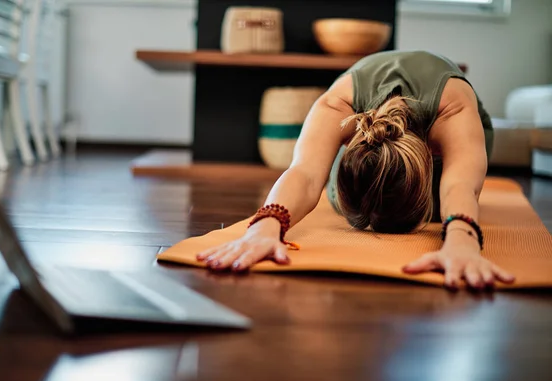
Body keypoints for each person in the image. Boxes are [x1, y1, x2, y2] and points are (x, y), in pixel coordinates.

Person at [196, 50, 516, 291]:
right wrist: (264, 227)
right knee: (346, 200)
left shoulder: (452, 106)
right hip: (369, 131)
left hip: (457, 128)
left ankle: (416, 200)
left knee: (437, 212)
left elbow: (459, 185)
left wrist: (462, 241)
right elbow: (305, 173)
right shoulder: (337, 104)